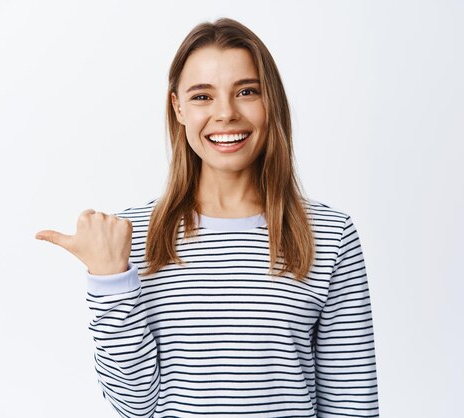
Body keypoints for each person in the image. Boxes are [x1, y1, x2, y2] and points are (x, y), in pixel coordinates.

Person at [36, 17, 379, 418]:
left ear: (272, 101)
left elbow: (352, 404)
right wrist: (110, 280)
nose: (226, 113)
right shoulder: (129, 236)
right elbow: (135, 406)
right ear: (177, 107)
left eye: (247, 91)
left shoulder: (329, 234)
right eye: (202, 96)